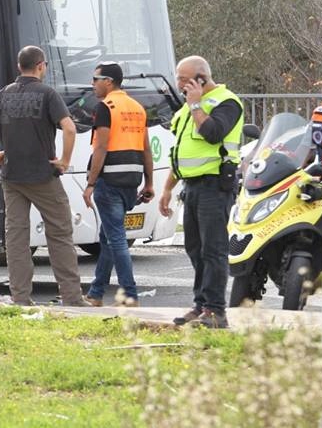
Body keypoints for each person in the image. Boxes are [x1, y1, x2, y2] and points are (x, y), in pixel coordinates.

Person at [0, 45, 87, 307]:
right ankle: (71, 296)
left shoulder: (3, 95)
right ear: (41, 66)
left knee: (16, 237)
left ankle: (21, 296)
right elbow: (68, 128)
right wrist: (65, 161)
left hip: (11, 176)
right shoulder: (47, 94)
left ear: (19, 67)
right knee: (60, 234)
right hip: (43, 175)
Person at [158, 56, 243, 329]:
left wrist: (195, 104)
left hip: (214, 186)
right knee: (194, 248)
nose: (179, 84)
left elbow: (213, 134)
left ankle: (216, 311)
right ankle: (201, 305)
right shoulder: (186, 110)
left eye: (184, 79)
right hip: (191, 187)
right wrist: (167, 189)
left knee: (213, 250)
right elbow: (180, 153)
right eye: (178, 78)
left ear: (201, 79)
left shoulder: (227, 102)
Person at [81, 62, 154, 307]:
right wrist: (149, 183)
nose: (92, 84)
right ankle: (95, 293)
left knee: (116, 239)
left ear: (108, 81)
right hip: (131, 181)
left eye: (95, 79)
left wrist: (90, 183)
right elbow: (146, 149)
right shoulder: (137, 107)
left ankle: (129, 295)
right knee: (108, 237)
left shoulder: (105, 108)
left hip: (109, 180)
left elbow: (101, 147)